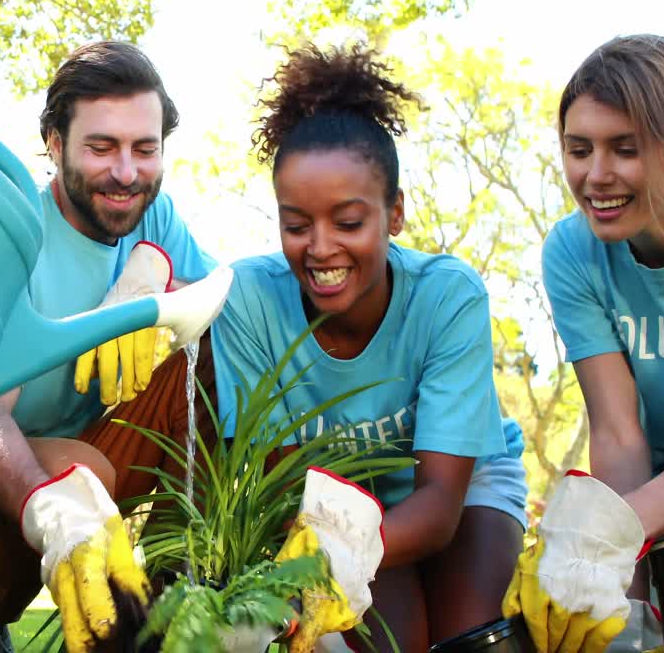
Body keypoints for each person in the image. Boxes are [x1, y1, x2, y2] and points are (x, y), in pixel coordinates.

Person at [0, 41, 230, 653]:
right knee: (81, 471)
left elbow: (221, 296)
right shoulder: (11, 229)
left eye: (144, 150)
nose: (126, 173)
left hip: (77, 450)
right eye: (101, 148)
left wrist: (156, 273)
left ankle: (185, 597)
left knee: (202, 356)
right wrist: (51, 509)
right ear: (55, 142)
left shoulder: (152, 218)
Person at [209, 44, 528, 653]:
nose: (320, 247)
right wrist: (315, 565)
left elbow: (438, 506)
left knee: (477, 641)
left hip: (457, 487)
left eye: (349, 223)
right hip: (330, 513)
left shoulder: (447, 297)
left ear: (395, 214)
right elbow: (283, 484)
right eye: (297, 224)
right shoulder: (250, 299)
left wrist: (347, 553)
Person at [505, 34, 664, 653]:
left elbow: (624, 521)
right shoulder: (574, 253)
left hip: (652, 513)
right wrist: (622, 601)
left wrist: (613, 534)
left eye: (625, 149)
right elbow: (619, 432)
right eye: (579, 149)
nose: (596, 176)